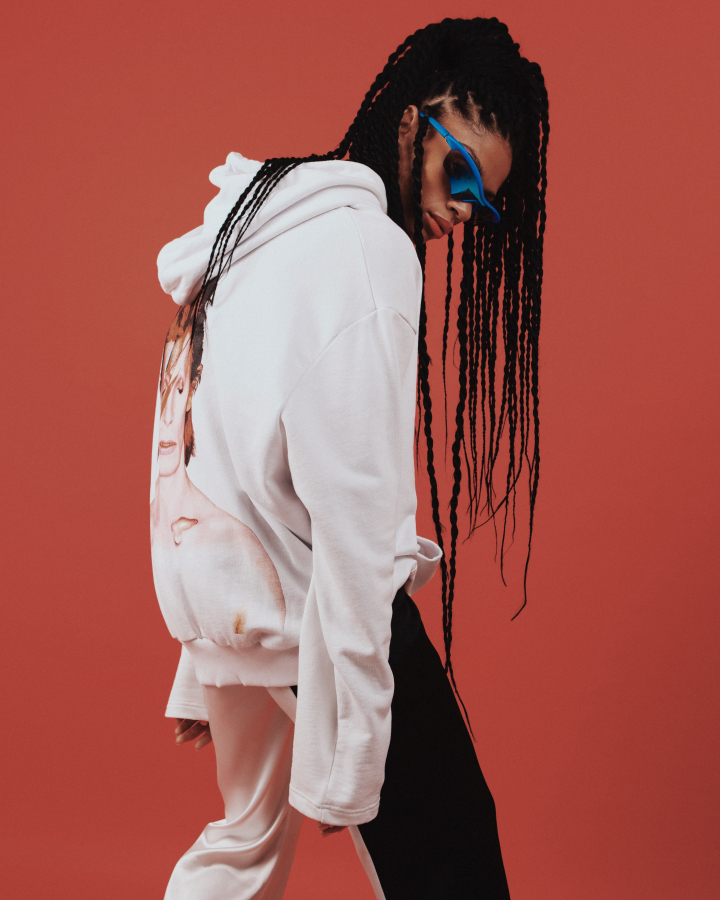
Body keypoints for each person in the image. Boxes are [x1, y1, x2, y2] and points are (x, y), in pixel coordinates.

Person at [150, 16, 548, 900]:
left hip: (234, 596)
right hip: (311, 604)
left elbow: (204, 439)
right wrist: (358, 750)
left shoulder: (258, 226)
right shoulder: (371, 251)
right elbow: (360, 513)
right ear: (410, 122)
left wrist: (207, 652)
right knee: (452, 850)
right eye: (459, 174)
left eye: (482, 204)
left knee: (243, 845)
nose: (462, 212)